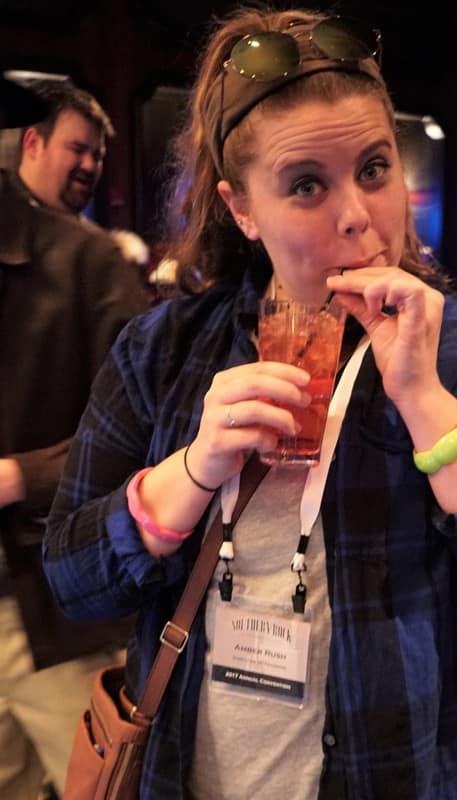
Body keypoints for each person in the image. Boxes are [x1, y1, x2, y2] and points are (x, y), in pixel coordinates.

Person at [43, 7, 457, 799]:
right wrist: (194, 469)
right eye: (306, 184)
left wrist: (429, 407)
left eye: (374, 168)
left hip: (437, 775)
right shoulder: (161, 351)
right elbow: (74, 581)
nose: (357, 216)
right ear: (242, 208)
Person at [0, 80, 149, 799]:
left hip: (47, 606)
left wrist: (17, 476)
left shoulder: (92, 262)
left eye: (96, 152)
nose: (89, 165)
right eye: (77, 148)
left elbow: (148, 431)